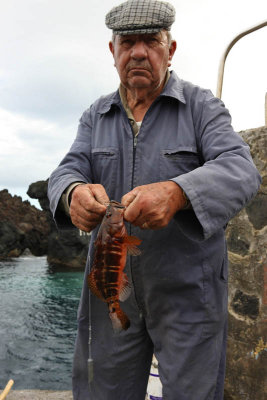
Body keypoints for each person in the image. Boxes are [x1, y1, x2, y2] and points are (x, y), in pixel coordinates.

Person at [48, 1, 261, 399]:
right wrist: (72, 193)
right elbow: (66, 171)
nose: (139, 52)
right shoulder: (95, 116)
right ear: (113, 53)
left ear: (171, 49)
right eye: (128, 42)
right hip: (112, 293)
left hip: (188, 294)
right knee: (102, 392)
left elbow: (241, 169)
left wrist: (178, 192)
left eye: (151, 41)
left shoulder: (202, 108)